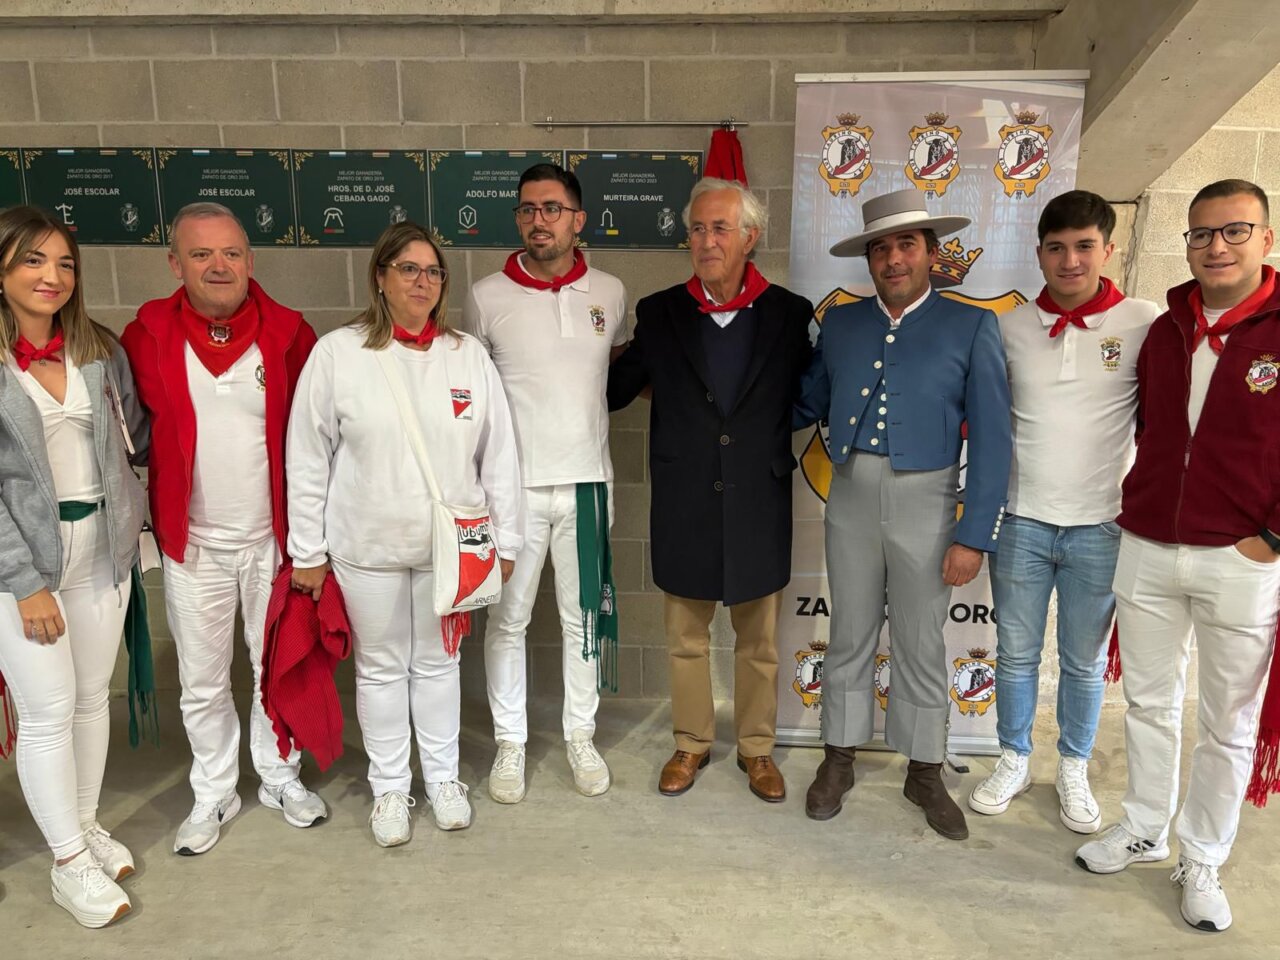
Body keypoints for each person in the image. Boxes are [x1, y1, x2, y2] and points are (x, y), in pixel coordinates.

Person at [1075, 179, 1280, 934]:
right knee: (1150, 704)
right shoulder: (1165, 331)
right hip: (1150, 544)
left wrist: (1272, 538)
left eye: (1234, 230)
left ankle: (1203, 856)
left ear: (1265, 238)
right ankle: (1144, 827)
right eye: (1201, 234)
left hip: (1242, 557)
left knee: (1227, 721)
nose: (1215, 246)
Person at [287, 222, 522, 847]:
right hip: (367, 547)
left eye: (433, 271)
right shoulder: (339, 354)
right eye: (409, 269)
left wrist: (507, 543)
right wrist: (307, 550)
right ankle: (391, 787)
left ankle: (443, 779)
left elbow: (499, 455)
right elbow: (306, 455)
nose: (423, 281)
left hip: (450, 547)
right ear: (380, 277)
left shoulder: (466, 355)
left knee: (440, 664)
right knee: (383, 669)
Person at [795, 188, 1012, 840]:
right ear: (869, 258)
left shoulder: (970, 326)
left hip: (929, 497)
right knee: (850, 630)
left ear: (932, 253)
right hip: (851, 492)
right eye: (881, 248)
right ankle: (839, 756)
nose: (893, 259)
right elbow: (807, 399)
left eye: (906, 245)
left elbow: (994, 437)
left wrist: (973, 534)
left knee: (919, 640)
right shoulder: (841, 324)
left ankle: (923, 770)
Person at [121, 202, 325, 856]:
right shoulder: (146, 335)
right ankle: (213, 790)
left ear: (250, 260)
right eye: (201, 253)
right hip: (193, 544)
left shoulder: (291, 334)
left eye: (231, 253)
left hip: (273, 539)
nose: (219, 265)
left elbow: (318, 442)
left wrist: (314, 539)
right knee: (202, 679)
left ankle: (279, 775)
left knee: (275, 668)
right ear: (174, 263)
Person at [608, 177, 813, 802]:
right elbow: (618, 387)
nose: (706, 241)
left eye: (720, 228)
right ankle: (691, 742)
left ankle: (757, 749)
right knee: (685, 640)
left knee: (759, 643)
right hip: (685, 500)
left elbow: (808, 396)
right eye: (697, 229)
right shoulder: (661, 312)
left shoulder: (789, 314)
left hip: (758, 500)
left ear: (750, 237)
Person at [968, 191, 1159, 833]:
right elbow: (986, 424)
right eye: (1056, 248)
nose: (1070, 260)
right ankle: (1014, 758)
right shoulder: (1009, 327)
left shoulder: (1143, 321)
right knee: (1015, 655)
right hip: (1022, 521)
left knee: (1082, 662)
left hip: (1102, 525)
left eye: (1084, 246)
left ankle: (1073, 765)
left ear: (1109, 250)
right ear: (1039, 253)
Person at [0, 205, 147, 926]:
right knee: (48, 709)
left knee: (92, 699)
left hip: (101, 551)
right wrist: (23, 583)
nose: (52, 276)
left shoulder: (98, 350)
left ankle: (83, 826)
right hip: (23, 566)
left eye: (64, 262)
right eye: (33, 260)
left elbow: (132, 438)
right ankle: (67, 865)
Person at [464, 163, 628, 804]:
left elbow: (610, 372)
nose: (540, 220)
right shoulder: (485, 297)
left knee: (583, 619)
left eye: (552, 208)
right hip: (514, 493)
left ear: (578, 220)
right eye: (528, 209)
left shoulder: (610, 292)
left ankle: (580, 736)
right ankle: (510, 742)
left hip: (587, 485)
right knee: (507, 621)